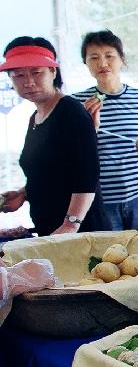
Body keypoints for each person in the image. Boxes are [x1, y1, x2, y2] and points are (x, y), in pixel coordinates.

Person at [0, 37, 107, 235]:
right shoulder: (36, 117)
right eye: (19, 75)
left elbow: (87, 173)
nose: (28, 82)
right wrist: (23, 194)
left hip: (78, 232)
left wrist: (71, 224)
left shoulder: (70, 111)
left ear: (53, 72)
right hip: (49, 227)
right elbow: (52, 172)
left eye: (36, 72)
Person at [73, 30, 138, 239]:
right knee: (111, 263)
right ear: (86, 64)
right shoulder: (77, 103)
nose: (102, 62)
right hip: (101, 200)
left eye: (109, 55)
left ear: (122, 59)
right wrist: (89, 128)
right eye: (93, 57)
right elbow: (73, 155)